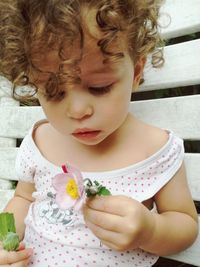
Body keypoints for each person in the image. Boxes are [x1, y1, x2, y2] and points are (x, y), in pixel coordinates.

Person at [0, 0, 198, 266]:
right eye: (54, 92)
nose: (78, 110)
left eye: (100, 86)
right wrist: (5, 244)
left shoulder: (156, 149)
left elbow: (184, 223)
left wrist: (151, 230)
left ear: (136, 71)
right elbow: (23, 198)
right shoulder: (41, 141)